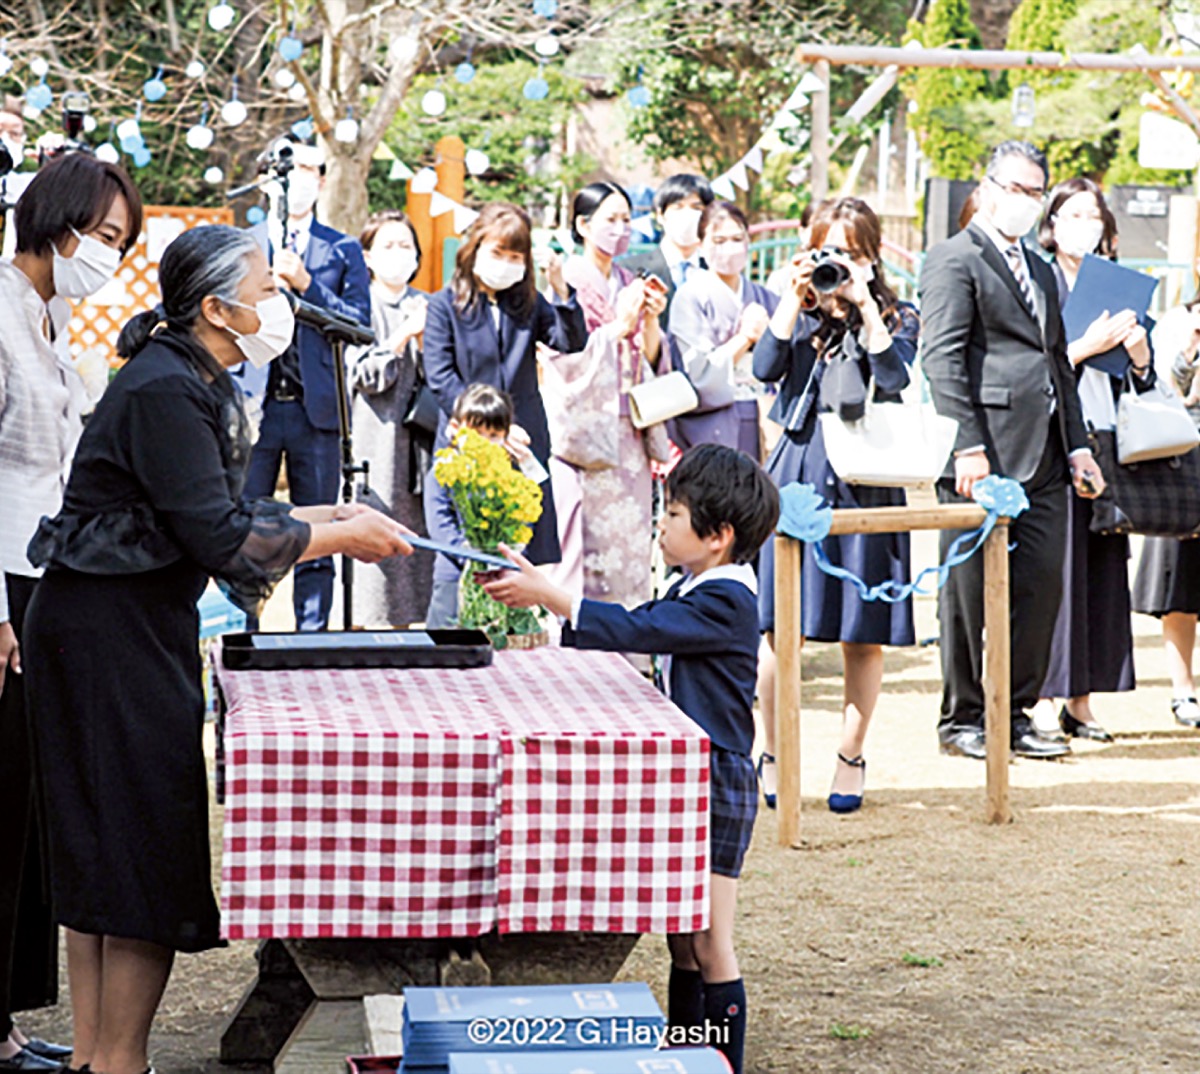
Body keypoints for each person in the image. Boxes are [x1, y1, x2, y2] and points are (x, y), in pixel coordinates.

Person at [22, 225, 412, 1074]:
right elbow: (221, 537)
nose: (281, 302)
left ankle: (98, 1060)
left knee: (107, 856)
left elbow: (213, 515)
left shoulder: (188, 376)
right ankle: (115, 1060)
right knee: (135, 859)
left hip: (111, 625)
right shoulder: (167, 388)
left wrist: (330, 517)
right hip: (108, 637)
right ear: (215, 308)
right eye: (267, 289)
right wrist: (340, 537)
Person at [480, 444, 780, 1074]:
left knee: (711, 941)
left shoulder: (727, 599)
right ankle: (688, 1054)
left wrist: (550, 596)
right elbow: (639, 622)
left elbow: (637, 630)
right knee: (683, 939)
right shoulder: (697, 583)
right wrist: (546, 599)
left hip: (718, 777)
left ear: (719, 536)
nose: (660, 525)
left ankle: (720, 1064)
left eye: (672, 514)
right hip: (692, 772)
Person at [0, 152, 142, 1074]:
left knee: (24, 816)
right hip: (4, 587)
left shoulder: (44, 315)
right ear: (59, 222)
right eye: (106, 236)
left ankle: (5, 1025)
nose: (111, 257)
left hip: (42, 578)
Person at [920, 140, 1105, 761]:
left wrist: (1078, 446)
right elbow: (942, 358)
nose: (1026, 201)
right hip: (981, 453)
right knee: (967, 592)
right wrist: (965, 444)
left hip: (1047, 452)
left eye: (1036, 192)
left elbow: (1057, 363)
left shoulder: (1042, 269)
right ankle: (963, 716)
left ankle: (1016, 712)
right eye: (1017, 189)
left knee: (1042, 588)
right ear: (989, 188)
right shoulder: (953, 258)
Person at [754, 197, 919, 814]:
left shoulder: (897, 315)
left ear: (872, 255)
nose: (838, 264)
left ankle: (851, 756)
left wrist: (866, 306)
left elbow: (895, 379)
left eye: (850, 253)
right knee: (779, 630)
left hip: (870, 476)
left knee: (863, 631)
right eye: (827, 251)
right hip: (801, 470)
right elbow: (765, 368)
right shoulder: (799, 310)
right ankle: (773, 750)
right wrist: (793, 298)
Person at [1029, 178, 1154, 743]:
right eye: (1072, 213)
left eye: (1094, 214)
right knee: (1054, 569)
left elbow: (1141, 381)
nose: (1085, 224)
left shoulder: (1114, 284)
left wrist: (1137, 353)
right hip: (1051, 442)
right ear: (1052, 223)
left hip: (1105, 440)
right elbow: (1031, 366)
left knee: (1099, 571)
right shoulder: (1036, 280)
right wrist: (1085, 346)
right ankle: (1041, 696)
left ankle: (1080, 701)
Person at [238, 142, 372, 631]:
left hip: (315, 410)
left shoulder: (342, 248)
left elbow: (359, 324)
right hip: (252, 403)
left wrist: (308, 285)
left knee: (319, 530)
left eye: (308, 169)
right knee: (242, 529)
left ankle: (310, 639)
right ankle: (242, 636)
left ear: (321, 179)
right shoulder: (241, 243)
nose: (297, 177)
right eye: (287, 168)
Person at [423, 202, 587, 568]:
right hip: (467, 440)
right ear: (475, 249)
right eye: (497, 253)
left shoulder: (529, 303)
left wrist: (561, 289)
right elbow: (440, 377)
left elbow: (570, 342)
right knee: (467, 543)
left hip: (524, 440)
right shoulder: (444, 305)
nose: (506, 263)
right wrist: (489, 426)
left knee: (525, 547)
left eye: (515, 256)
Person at [546, 180, 668, 610]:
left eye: (627, 220)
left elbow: (651, 357)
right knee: (579, 546)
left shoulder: (630, 280)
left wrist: (650, 321)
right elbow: (560, 356)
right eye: (610, 219)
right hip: (583, 430)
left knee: (630, 548)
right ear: (583, 225)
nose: (621, 229)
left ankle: (628, 639)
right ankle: (574, 638)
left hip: (628, 431)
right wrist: (618, 327)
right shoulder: (566, 280)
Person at [348, 209, 435, 626]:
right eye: (388, 245)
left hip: (422, 443)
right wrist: (403, 335)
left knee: (418, 540)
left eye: (406, 245)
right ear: (367, 255)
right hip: (374, 440)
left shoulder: (429, 305)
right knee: (372, 538)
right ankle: (363, 630)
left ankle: (409, 631)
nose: (398, 253)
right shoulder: (355, 306)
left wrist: (427, 338)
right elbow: (363, 375)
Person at [1133, 295, 1200, 729]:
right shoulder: (1178, 321)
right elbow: (1166, 392)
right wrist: (1190, 348)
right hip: (1187, 460)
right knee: (1181, 583)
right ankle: (1183, 690)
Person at [668, 200, 779, 457]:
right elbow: (697, 374)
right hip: (713, 425)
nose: (729, 248)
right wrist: (745, 338)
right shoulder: (690, 297)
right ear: (701, 245)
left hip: (762, 415)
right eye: (719, 241)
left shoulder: (766, 298)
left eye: (737, 239)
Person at [424, 383, 528, 627]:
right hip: (454, 573)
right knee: (446, 637)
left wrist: (506, 555)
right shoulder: (443, 470)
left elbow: (527, 512)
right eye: (477, 434)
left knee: (497, 637)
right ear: (455, 429)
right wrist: (471, 556)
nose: (485, 443)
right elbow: (439, 524)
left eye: (494, 436)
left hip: (500, 573)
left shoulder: (507, 473)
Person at [619, 173, 714, 314]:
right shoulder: (629, 270)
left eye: (696, 208)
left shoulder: (716, 271)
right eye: (678, 207)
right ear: (660, 215)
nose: (687, 214)